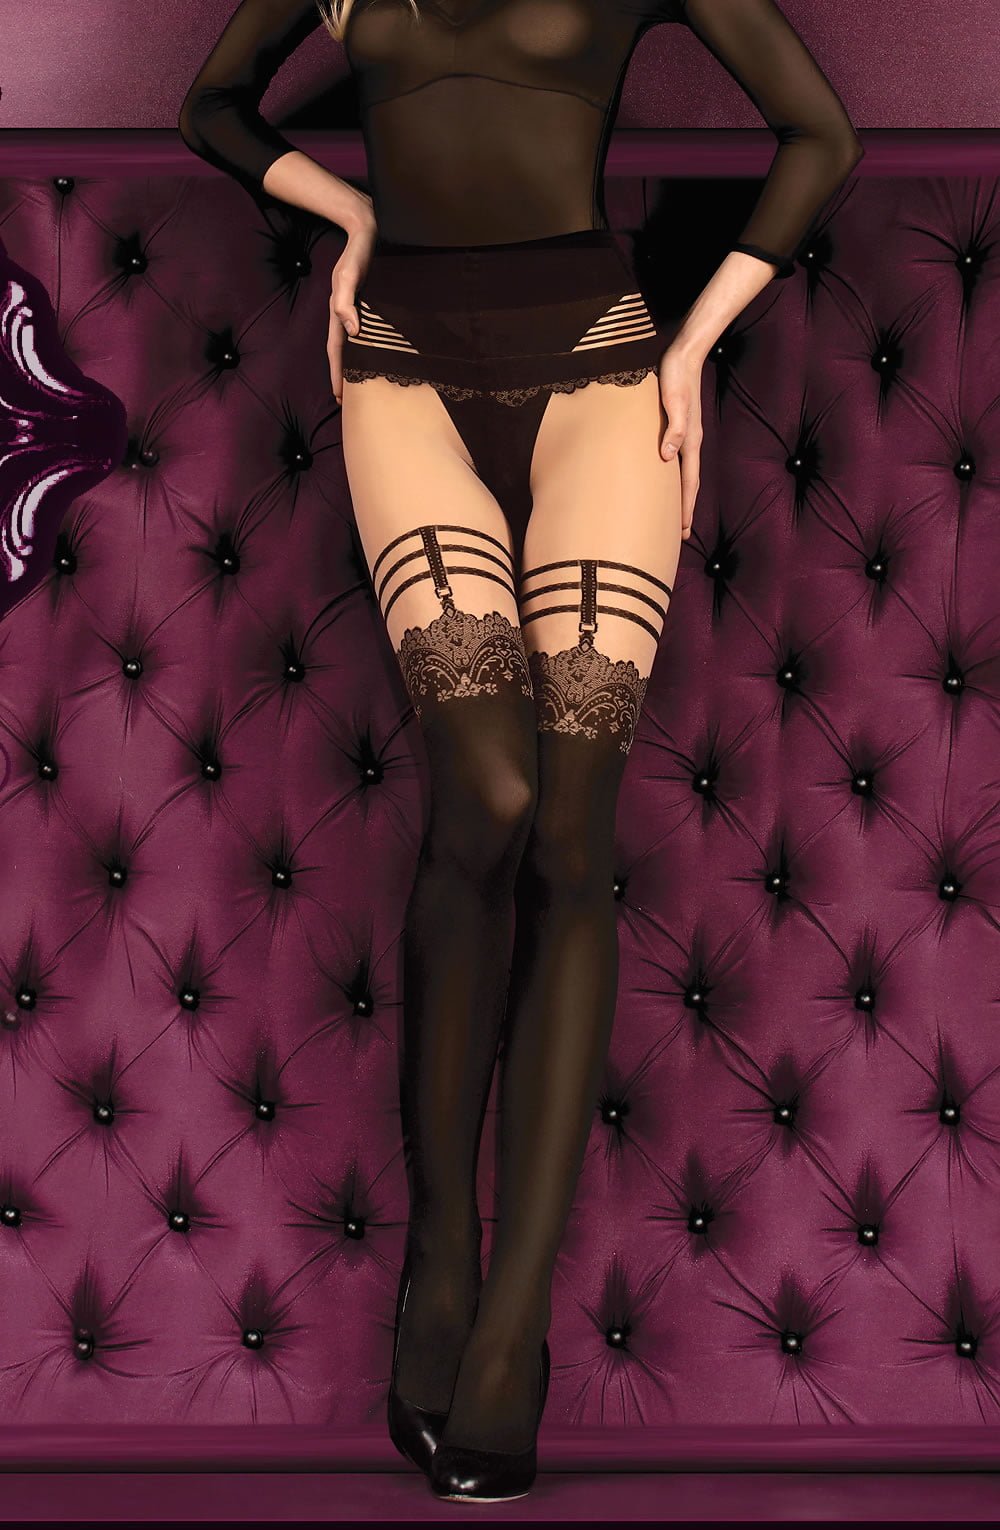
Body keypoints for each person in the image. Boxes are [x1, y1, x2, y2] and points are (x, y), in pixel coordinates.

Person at [178, 0, 863, 1503]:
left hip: (604, 383)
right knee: (484, 791)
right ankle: (440, 1251)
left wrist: (696, 344)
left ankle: (506, 1327)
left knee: (566, 832)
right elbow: (213, 104)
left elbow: (822, 134)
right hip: (402, 371)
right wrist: (348, 208)